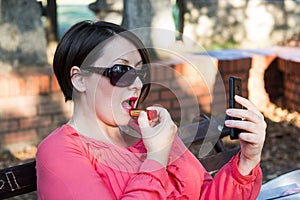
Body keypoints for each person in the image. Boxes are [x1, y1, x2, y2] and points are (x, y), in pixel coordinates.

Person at [36, 20, 267, 200]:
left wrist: (248, 159)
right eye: (121, 71)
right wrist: (157, 156)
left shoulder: (150, 130)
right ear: (80, 80)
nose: (136, 84)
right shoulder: (59, 151)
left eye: (140, 73)